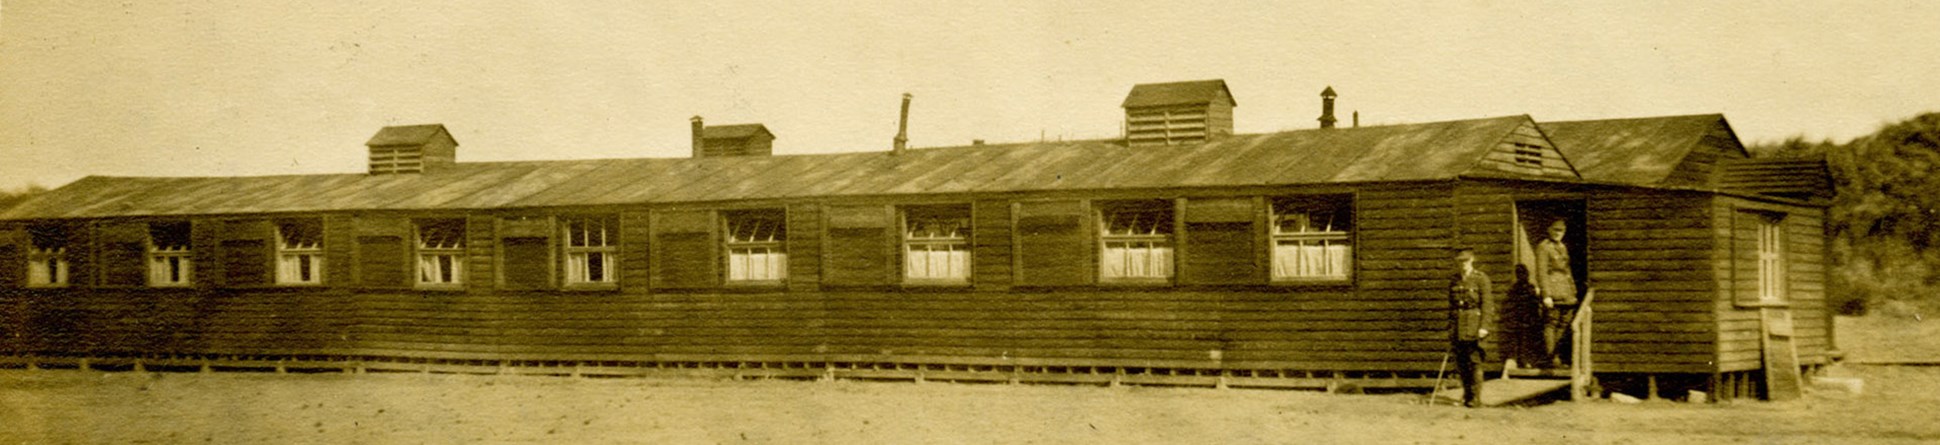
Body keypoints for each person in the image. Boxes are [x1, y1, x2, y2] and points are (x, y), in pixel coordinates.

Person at [1448, 248, 1492, 408]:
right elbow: (1451, 306)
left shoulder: (1481, 279)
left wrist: (1484, 327)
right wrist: (1451, 328)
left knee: (1475, 362)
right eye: (1460, 261)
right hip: (1458, 326)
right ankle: (1466, 396)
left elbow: (1488, 305)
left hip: (1475, 326)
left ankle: (1476, 398)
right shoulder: (1454, 280)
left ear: (1472, 260)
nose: (1463, 264)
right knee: (1461, 363)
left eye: (1465, 261)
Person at [1534, 220, 1577, 367]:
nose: (1558, 233)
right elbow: (1541, 272)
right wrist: (1546, 294)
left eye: (1561, 231)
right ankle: (1553, 358)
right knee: (1551, 323)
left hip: (1566, 291)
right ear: (1549, 230)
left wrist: (1573, 290)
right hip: (1553, 290)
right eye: (1556, 230)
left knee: (1564, 323)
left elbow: (1567, 271)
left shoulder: (1563, 247)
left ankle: (1556, 354)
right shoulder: (1544, 247)